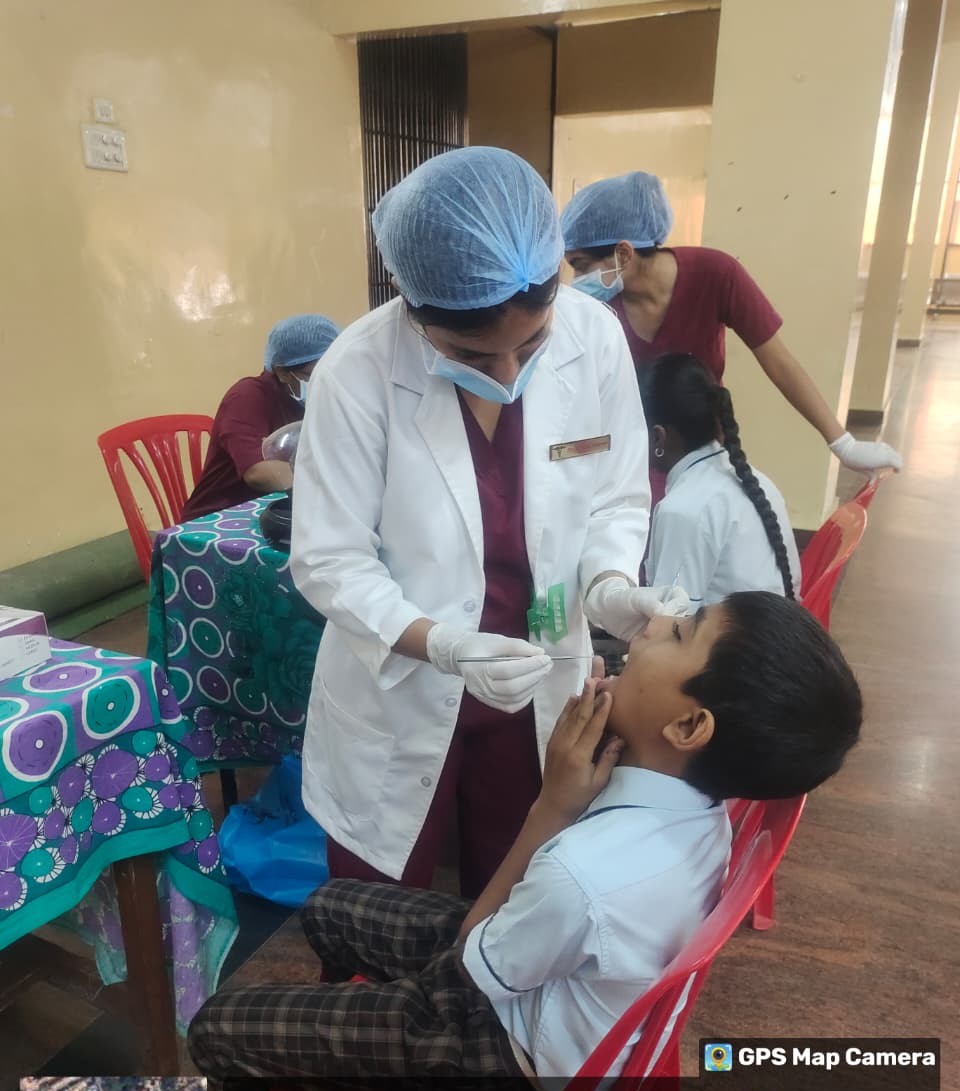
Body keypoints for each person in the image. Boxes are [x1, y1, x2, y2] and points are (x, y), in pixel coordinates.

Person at [188, 591, 863, 1088]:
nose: (653, 627)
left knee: (217, 1026)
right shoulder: (702, 813)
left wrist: (551, 805)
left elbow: (466, 968)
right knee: (330, 904)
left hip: (507, 1066)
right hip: (549, 986)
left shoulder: (583, 874)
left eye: (680, 634)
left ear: (688, 727)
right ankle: (349, 1060)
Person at [289, 147, 682, 895]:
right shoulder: (358, 370)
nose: (507, 377)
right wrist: (439, 645)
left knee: (512, 880)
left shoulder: (593, 339)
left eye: (530, 345)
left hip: (540, 674)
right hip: (400, 682)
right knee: (376, 896)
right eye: (472, 354)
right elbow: (330, 559)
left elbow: (616, 496)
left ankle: (483, 1007)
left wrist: (608, 585)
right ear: (412, 304)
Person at [561, 172, 902, 504]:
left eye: (580, 264)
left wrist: (842, 444)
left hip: (700, 451)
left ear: (623, 254)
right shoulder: (597, 308)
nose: (576, 280)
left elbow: (780, 363)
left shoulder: (716, 274)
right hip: (632, 452)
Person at [640, 353, 801, 606]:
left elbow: (667, 628)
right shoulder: (760, 482)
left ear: (657, 438)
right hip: (774, 638)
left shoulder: (682, 510)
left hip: (730, 645)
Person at [181, 313, 340, 520]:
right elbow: (257, 472)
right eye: (313, 375)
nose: (324, 381)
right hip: (220, 519)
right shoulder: (247, 397)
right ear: (282, 372)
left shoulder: (317, 398)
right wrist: (329, 486)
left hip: (283, 507)